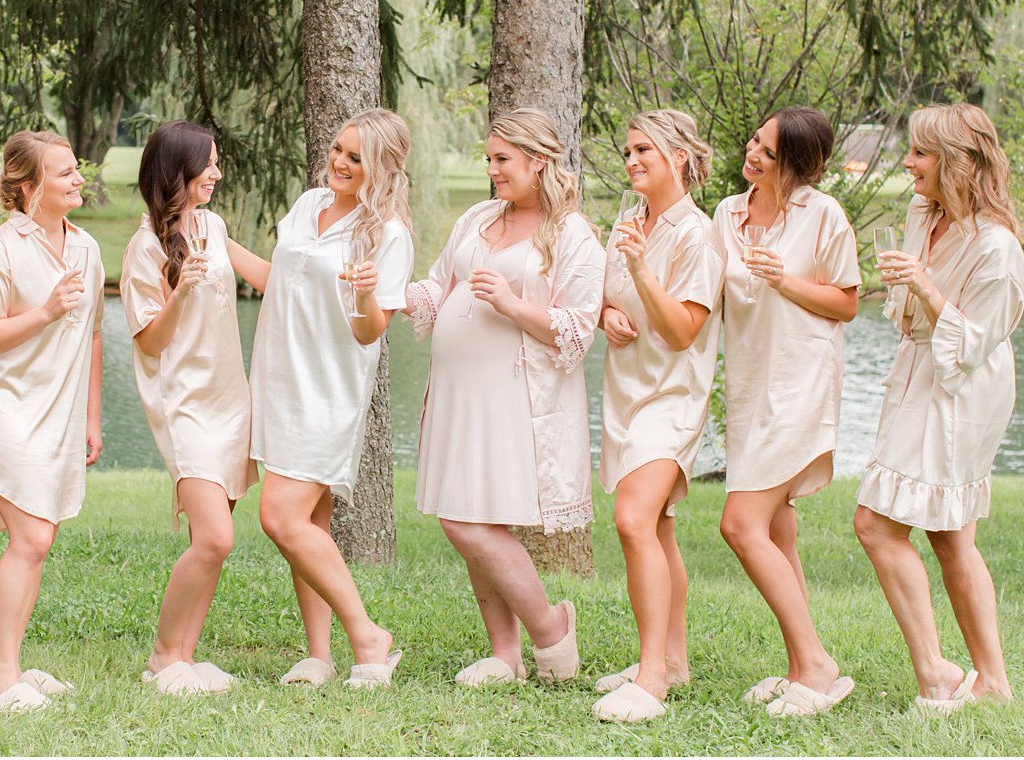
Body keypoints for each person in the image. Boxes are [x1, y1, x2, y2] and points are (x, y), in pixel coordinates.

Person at [402, 109, 603, 686]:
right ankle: (505, 654)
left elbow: (577, 326)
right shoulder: (478, 218)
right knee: (468, 514)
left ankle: (552, 630)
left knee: (472, 523)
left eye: (503, 160)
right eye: (489, 159)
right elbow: (438, 284)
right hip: (458, 391)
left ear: (539, 162)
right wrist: (390, 291)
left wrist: (514, 304)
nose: (492, 172)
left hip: (511, 396)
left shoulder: (571, 235)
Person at [853, 103, 1024, 713]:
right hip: (918, 371)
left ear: (956, 161)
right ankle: (993, 681)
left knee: (875, 524)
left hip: (962, 388)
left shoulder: (998, 248)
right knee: (952, 538)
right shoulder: (920, 212)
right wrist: (909, 288)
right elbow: (907, 315)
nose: (908, 163)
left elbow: (975, 344)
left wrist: (924, 283)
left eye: (920, 153)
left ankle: (936, 674)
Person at [236, 108, 415, 689]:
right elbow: (277, 278)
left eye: (355, 157)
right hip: (280, 381)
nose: (338, 161)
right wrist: (214, 238)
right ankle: (318, 652)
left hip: (328, 393)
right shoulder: (309, 204)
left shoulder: (387, 235)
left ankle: (368, 635)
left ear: (381, 168)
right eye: (338, 149)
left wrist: (365, 295)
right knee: (310, 520)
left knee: (280, 516)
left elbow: (370, 332)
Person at [713, 107, 860, 717]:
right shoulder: (726, 213)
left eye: (768, 153)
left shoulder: (823, 215)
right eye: (754, 141)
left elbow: (847, 304)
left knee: (741, 525)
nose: (753, 155)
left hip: (800, 384)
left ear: (797, 166)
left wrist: (784, 280)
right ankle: (802, 664)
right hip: (749, 385)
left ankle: (818, 667)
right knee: (776, 528)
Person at [0, 130, 103, 712]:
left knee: (39, 542)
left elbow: (91, 333)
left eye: (76, 170)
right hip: (6, 410)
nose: (78, 180)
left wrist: (91, 416)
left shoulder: (88, 249)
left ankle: (14, 663)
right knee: (32, 537)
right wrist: (44, 313)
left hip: (61, 418)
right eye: (64, 172)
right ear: (27, 186)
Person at [593, 109, 723, 723]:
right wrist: (602, 315)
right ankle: (672, 660)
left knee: (633, 520)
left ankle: (650, 680)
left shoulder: (697, 235)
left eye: (644, 149)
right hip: (625, 391)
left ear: (677, 156)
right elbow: (603, 291)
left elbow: (680, 332)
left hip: (672, 396)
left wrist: (642, 270)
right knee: (660, 530)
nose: (632, 160)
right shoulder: (628, 219)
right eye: (627, 151)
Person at [121, 121, 258, 697]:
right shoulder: (143, 247)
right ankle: (161, 655)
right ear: (177, 171)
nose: (218, 174)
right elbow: (149, 343)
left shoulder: (214, 225)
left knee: (214, 544)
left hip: (231, 398)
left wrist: (340, 274)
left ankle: (185, 656)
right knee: (215, 538)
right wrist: (181, 291)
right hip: (184, 404)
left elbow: (270, 275)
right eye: (209, 165)